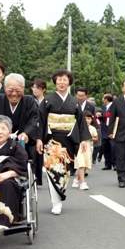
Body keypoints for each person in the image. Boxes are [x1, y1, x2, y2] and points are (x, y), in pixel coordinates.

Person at [36, 70, 91, 215]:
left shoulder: (74, 102)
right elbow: (41, 121)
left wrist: (84, 139)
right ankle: (56, 202)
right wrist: (39, 139)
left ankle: (59, 197)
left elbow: (80, 123)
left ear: (69, 82)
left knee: (65, 171)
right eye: (59, 80)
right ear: (55, 82)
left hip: (69, 140)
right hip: (51, 140)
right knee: (54, 170)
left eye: (64, 80)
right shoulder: (47, 100)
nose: (61, 82)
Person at [72, 111, 98, 190]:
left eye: (89, 118)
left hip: (87, 148)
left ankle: (76, 179)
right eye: (85, 118)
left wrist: (90, 138)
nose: (87, 120)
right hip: (78, 148)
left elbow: (96, 138)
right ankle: (83, 183)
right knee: (81, 165)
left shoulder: (92, 128)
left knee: (85, 166)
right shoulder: (77, 127)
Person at [97, 93, 116, 171]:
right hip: (104, 129)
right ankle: (107, 164)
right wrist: (100, 116)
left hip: (112, 129)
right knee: (105, 147)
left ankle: (115, 163)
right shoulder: (104, 107)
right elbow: (104, 118)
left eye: (103, 98)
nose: (102, 100)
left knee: (113, 147)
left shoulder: (114, 106)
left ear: (106, 99)